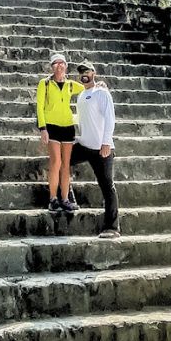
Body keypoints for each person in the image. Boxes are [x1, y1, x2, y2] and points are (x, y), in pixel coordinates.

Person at [72, 60, 119, 238]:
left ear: (94, 73)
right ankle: (68, 198)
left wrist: (106, 142)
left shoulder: (102, 92)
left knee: (107, 186)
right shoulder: (81, 96)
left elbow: (110, 118)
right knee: (60, 162)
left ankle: (112, 228)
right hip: (84, 145)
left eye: (87, 70)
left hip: (101, 148)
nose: (84, 73)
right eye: (81, 71)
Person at [35, 52, 83, 213]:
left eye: (62, 63)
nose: (59, 66)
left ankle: (65, 199)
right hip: (52, 126)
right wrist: (43, 129)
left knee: (66, 165)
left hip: (68, 126)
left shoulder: (70, 85)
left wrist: (99, 84)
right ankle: (53, 199)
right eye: (55, 63)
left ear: (66, 66)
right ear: (51, 66)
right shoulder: (45, 83)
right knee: (56, 162)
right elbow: (40, 106)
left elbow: (86, 87)